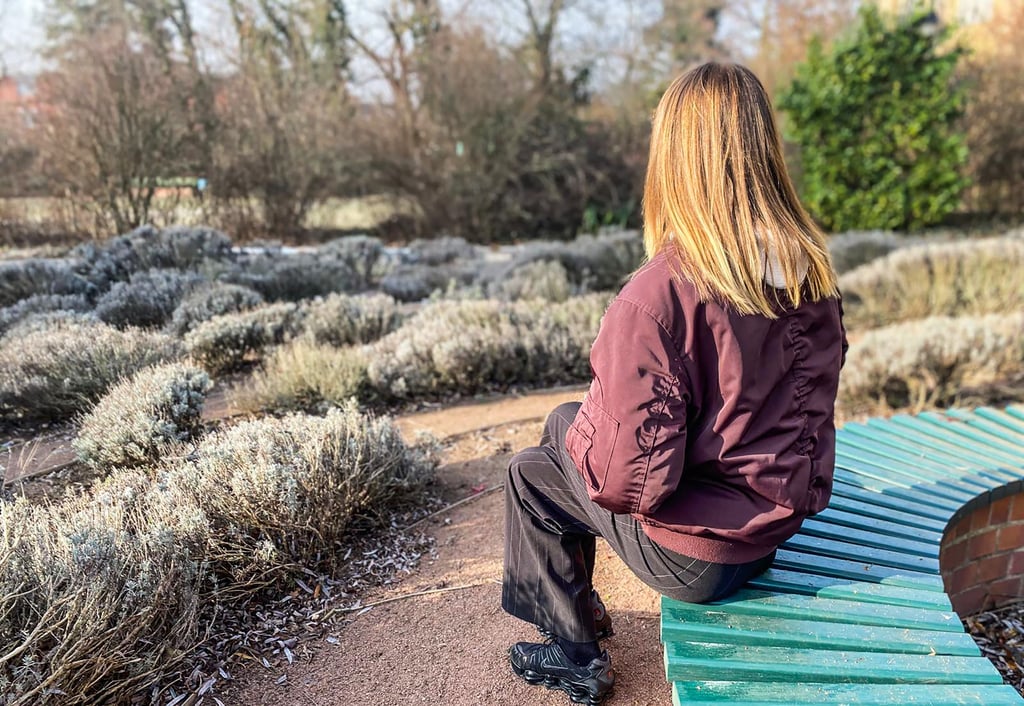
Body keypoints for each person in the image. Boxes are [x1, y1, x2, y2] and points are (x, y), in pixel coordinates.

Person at [501, 62, 848, 706]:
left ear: (674, 159)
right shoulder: (808, 271)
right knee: (560, 423)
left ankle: (574, 653)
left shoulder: (657, 297)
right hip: (772, 529)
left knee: (529, 473)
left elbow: (626, 484)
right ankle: (579, 611)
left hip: (699, 560)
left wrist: (594, 422)